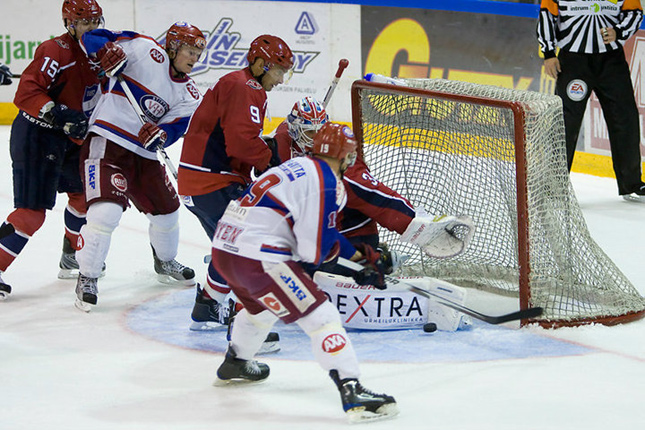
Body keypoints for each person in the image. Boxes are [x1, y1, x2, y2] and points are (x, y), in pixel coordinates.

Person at [210, 122, 399, 423]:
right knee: (322, 316)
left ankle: (236, 362)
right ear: (346, 155)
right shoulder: (326, 180)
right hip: (261, 258)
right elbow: (316, 251)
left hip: (226, 251)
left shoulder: (297, 167)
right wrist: (356, 271)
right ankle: (352, 389)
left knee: (260, 310)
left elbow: (324, 235)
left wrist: (361, 257)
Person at [274, 95, 475, 331]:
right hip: (319, 228)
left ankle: (377, 258)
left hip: (351, 231)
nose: (314, 142)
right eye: (309, 134)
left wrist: (418, 228)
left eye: (319, 134)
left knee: (314, 270)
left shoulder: (345, 170)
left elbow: (380, 198)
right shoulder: (284, 138)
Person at [72, 21, 206, 311]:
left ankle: (164, 261)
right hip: (107, 140)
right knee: (105, 212)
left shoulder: (191, 94)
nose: (195, 58)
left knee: (168, 213)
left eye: (198, 53)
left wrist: (162, 135)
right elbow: (92, 37)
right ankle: (87, 276)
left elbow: (176, 127)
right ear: (172, 47)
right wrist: (106, 51)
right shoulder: (145, 49)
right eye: (190, 51)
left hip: (143, 155)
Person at [178, 34, 293, 333]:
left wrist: (266, 155)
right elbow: (242, 143)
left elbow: (237, 138)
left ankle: (209, 304)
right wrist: (271, 163)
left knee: (230, 244)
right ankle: (246, 320)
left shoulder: (242, 84)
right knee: (250, 242)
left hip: (202, 183)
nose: (280, 80)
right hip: (212, 183)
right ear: (259, 64)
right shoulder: (246, 87)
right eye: (278, 72)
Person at [0, 0, 105, 300]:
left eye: (96, 22)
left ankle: (71, 254)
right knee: (31, 215)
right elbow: (27, 93)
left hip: (71, 138)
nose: (91, 29)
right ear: (70, 24)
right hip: (38, 135)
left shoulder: (100, 52)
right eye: (85, 23)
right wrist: (58, 114)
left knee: (85, 196)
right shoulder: (53, 51)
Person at [537, 0, 645, 202]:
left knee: (626, 117)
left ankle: (632, 183)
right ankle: (555, 187)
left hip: (611, 61)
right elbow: (546, 15)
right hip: (574, 62)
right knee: (565, 124)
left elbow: (635, 12)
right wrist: (549, 53)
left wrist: (619, 32)